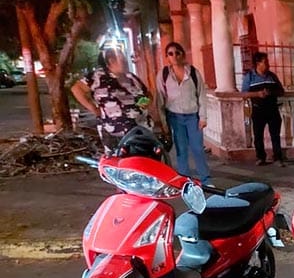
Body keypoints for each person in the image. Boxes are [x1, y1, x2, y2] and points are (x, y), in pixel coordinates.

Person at [71, 45, 155, 152]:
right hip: (115, 134)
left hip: (141, 130)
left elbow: (147, 95)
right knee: (122, 165)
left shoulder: (131, 77)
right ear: (111, 60)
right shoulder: (98, 76)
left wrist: (146, 103)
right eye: (122, 59)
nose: (125, 61)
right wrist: (93, 109)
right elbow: (76, 89)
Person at [157, 42, 211, 183]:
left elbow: (201, 95)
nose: (174, 56)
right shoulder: (163, 75)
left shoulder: (193, 72)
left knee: (198, 149)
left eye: (177, 53)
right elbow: (160, 100)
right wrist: (163, 123)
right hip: (174, 117)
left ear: (183, 55)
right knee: (181, 150)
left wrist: (203, 117)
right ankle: (184, 181)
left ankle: (205, 179)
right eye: (170, 53)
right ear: (167, 57)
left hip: (193, 116)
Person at [242, 52, 286, 167]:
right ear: (258, 63)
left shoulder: (272, 76)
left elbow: (281, 91)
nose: (268, 65)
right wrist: (257, 94)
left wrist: (270, 92)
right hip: (258, 110)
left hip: (272, 109)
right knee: (258, 135)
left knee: (275, 135)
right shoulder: (250, 77)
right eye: (265, 62)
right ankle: (260, 157)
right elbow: (244, 94)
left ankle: (277, 157)